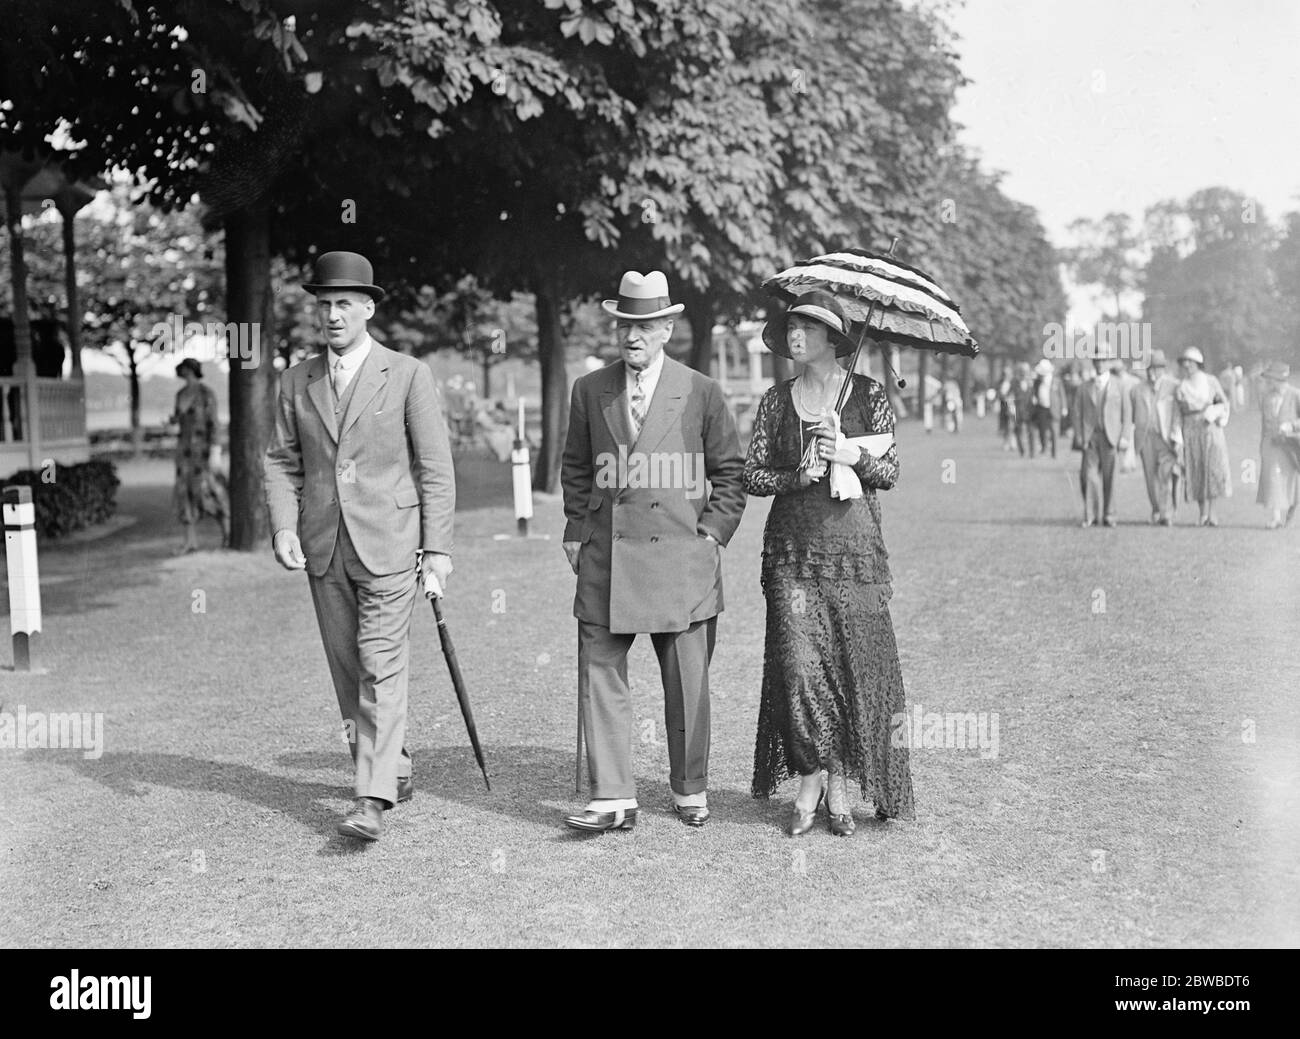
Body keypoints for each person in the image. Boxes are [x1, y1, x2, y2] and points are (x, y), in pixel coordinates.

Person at [263, 251, 456, 842]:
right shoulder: (296, 380)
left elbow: (435, 469)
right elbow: (279, 461)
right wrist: (283, 525)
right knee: (349, 671)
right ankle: (392, 767)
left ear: (369, 308)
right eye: (324, 304)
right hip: (323, 550)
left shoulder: (407, 375)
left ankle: (370, 799)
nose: (332, 315)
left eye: (344, 303)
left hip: (392, 547)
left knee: (379, 662)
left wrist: (437, 549)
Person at [560, 270, 745, 832]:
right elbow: (574, 466)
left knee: (686, 683)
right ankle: (613, 794)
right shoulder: (591, 390)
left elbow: (730, 474)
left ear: (667, 327)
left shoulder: (702, 391)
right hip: (607, 557)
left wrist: (711, 534)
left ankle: (689, 786)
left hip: (681, 562)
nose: (631, 336)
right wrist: (575, 528)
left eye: (644, 325)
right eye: (624, 325)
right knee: (600, 670)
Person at [744, 290, 914, 836]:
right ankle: (810, 775)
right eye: (791, 326)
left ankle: (839, 778)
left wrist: (851, 454)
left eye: (807, 327)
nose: (795, 335)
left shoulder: (867, 394)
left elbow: (890, 472)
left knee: (848, 667)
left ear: (833, 339)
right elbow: (751, 476)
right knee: (798, 667)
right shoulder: (775, 401)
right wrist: (799, 473)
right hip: (792, 553)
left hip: (855, 554)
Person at [170, 358, 229, 553]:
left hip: (203, 452)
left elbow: (214, 422)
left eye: (184, 369)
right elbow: (177, 418)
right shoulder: (180, 394)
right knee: (184, 493)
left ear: (190, 370)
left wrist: (215, 451)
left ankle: (227, 534)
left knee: (209, 491)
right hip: (184, 452)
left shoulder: (206, 393)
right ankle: (190, 542)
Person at [1072, 344, 1133, 526]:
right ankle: (1090, 514)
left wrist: (1124, 436)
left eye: (1103, 361)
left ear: (1109, 363)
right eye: (1097, 361)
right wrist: (1080, 436)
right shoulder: (1084, 388)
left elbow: (1127, 413)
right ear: (1093, 362)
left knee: (1110, 478)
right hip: (1090, 438)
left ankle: (1110, 515)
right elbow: (1076, 414)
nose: (1100, 364)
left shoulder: (1120, 386)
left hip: (1111, 437)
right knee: (1088, 476)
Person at [1174, 346, 1232, 526]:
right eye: (1185, 362)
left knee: (1212, 469)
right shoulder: (1182, 386)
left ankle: (1213, 514)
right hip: (1191, 431)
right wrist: (1177, 437)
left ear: (1198, 363)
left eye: (1191, 361)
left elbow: (1224, 403)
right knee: (1196, 470)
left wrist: (1214, 413)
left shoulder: (1210, 381)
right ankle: (1202, 513)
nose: (1187, 365)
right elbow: (1178, 414)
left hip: (1210, 429)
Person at [1129, 350, 1182, 525]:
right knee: (1150, 477)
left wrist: (1177, 436)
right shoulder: (1137, 389)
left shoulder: (1173, 386)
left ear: (1163, 369)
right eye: (1150, 368)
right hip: (1145, 438)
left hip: (1166, 438)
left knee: (1166, 474)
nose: (1153, 372)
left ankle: (1167, 513)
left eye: (1157, 368)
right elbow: (1131, 415)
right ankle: (1156, 509)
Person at [1256, 361, 1300, 529]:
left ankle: (1290, 511)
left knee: (1291, 481)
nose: (1269, 383)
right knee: (1272, 479)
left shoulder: (1295, 394)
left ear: (1280, 379)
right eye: (1268, 379)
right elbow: (1264, 423)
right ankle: (1275, 517)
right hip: (1271, 443)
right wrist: (1262, 445)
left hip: (1291, 445)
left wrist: (1291, 425)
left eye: (1272, 379)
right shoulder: (1266, 397)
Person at [1029, 359, 1065, 459]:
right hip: (1041, 408)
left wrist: (1064, 407)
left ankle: (1055, 453)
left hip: (1054, 409)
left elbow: (1062, 395)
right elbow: (1034, 393)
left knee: (1054, 431)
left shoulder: (1056, 381)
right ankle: (1044, 448)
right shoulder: (1037, 382)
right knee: (1042, 430)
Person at [1011, 362, 1034, 456]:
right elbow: (1010, 396)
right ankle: (1022, 450)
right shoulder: (1014, 382)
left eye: (1026, 371)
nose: (1024, 373)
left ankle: (1032, 452)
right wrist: (1011, 408)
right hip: (1017, 411)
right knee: (1017, 431)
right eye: (1022, 371)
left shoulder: (1032, 383)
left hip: (1029, 410)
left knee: (1031, 432)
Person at [995, 367, 1015, 451]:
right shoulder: (1001, 383)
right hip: (1003, 406)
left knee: (1011, 426)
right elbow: (999, 394)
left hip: (1012, 406)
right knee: (1005, 426)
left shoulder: (1013, 383)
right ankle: (1006, 443)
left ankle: (1012, 443)